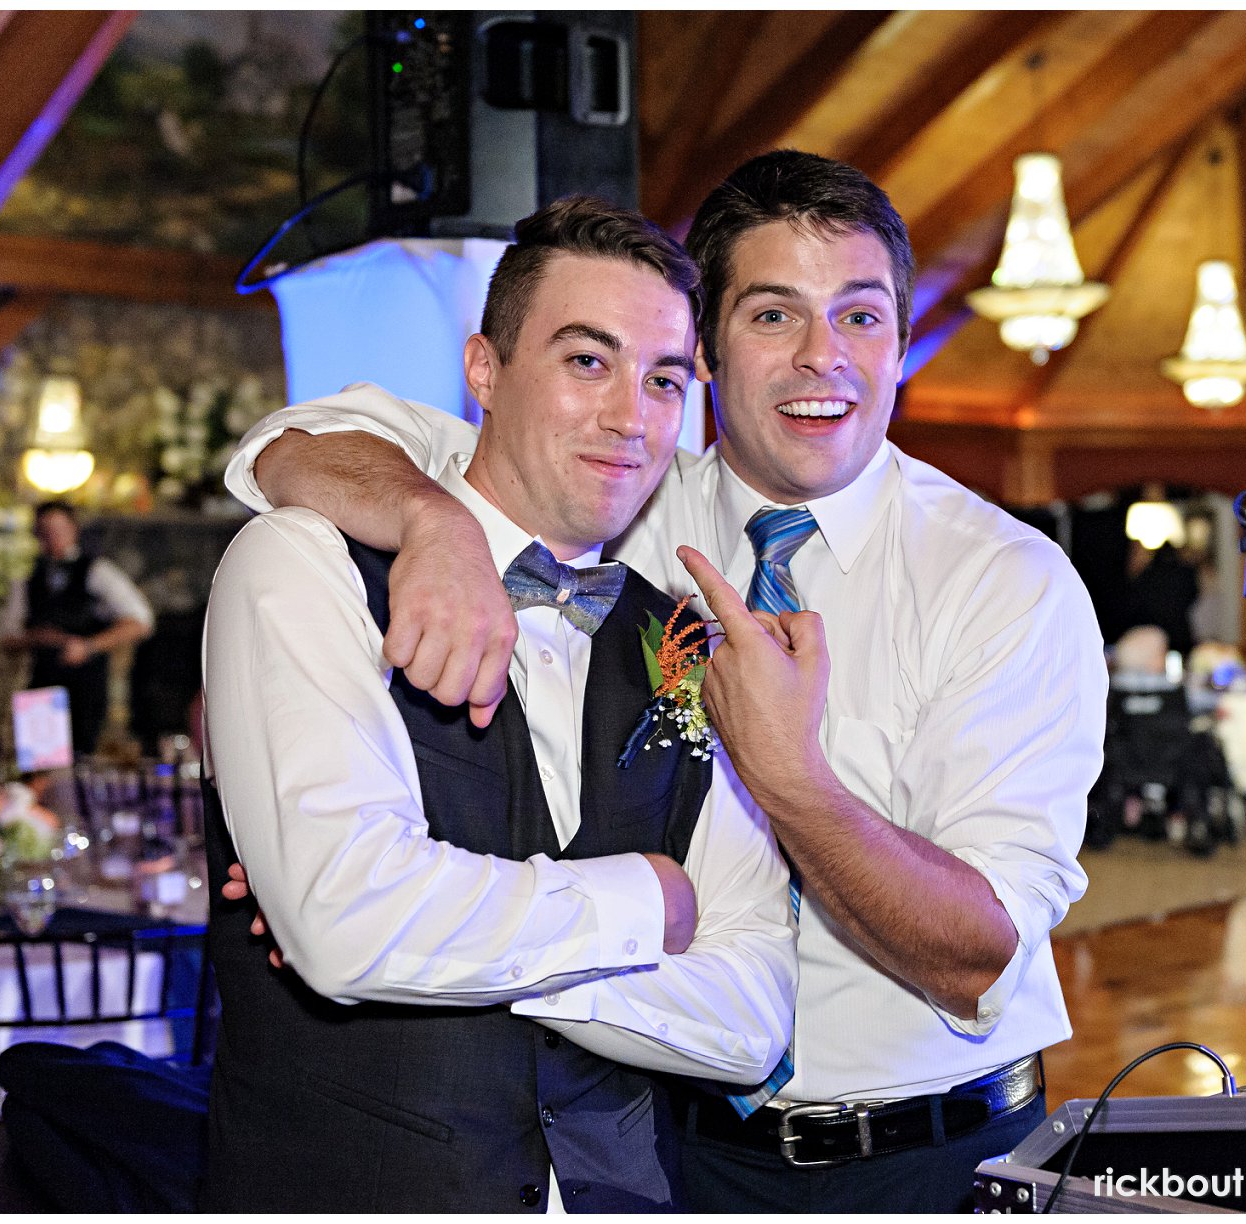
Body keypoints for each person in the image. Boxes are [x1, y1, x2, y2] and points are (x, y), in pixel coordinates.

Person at [222, 150, 1107, 1212]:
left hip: (931, 1149)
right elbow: (300, 444)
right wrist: (430, 522)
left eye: (862, 317)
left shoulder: (1004, 580)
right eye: (774, 316)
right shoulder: (624, 501)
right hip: (672, 1155)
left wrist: (791, 783)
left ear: (904, 346)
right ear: (713, 354)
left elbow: (978, 957)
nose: (823, 359)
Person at [200, 197, 795, 1212]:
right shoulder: (303, 562)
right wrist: (650, 907)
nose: (630, 417)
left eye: (662, 380)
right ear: (484, 370)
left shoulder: (682, 640)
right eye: (585, 361)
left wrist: (434, 938)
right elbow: (350, 926)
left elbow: (751, 1020)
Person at [0, 501, 154, 754]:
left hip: (87, 687)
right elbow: (7, 636)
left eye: (59, 529)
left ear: (73, 530)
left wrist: (89, 645)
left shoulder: (98, 571)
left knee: (82, 760)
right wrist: (37, 638)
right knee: (41, 761)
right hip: (43, 683)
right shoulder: (28, 577)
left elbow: (141, 621)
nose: (53, 537)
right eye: (46, 530)